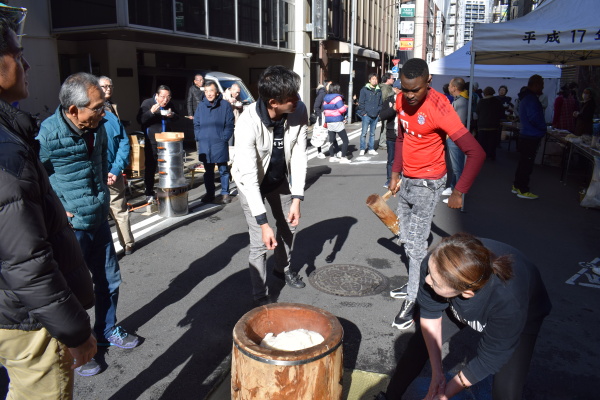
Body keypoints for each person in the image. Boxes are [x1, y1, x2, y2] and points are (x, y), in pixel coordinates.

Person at [0, 14, 97, 396]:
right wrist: (75, 330)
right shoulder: (9, 151)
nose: (25, 64)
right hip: (26, 318)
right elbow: (26, 260)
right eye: (16, 54)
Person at [37, 72, 140, 377]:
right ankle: (76, 346)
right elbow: (32, 179)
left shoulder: (101, 125)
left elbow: (102, 162)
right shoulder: (48, 134)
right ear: (73, 110)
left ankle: (107, 330)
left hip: (98, 217)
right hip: (71, 228)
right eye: (97, 107)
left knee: (109, 280)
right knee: (73, 290)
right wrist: (56, 210)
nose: (103, 112)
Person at [377, 233, 551, 400]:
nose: (427, 280)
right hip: (460, 290)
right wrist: (437, 373)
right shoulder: (435, 263)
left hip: (525, 312)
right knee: (418, 345)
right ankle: (389, 396)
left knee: (506, 392)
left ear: (466, 293)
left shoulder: (509, 302)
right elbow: (430, 313)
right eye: (430, 272)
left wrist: (443, 395)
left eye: (435, 282)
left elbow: (490, 358)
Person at [387, 58, 485, 330]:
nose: (409, 96)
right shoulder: (400, 101)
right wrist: (395, 175)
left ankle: (414, 298)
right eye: (404, 89)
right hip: (407, 179)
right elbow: (401, 138)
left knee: (417, 244)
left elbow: (476, 152)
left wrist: (459, 191)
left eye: (415, 90)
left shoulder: (441, 107)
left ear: (428, 83)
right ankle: (414, 279)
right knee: (405, 238)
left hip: (429, 184)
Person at [231, 65, 308, 306]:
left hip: (278, 178)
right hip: (250, 183)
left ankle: (282, 268)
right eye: (291, 97)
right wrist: (263, 224)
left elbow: (298, 153)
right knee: (259, 241)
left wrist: (297, 197)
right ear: (273, 102)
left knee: (288, 227)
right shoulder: (247, 123)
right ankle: (260, 298)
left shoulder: (298, 110)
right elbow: (250, 178)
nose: (297, 100)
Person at [99, 76, 135, 255]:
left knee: (118, 208)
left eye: (110, 86)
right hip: (100, 171)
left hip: (112, 168)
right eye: (103, 86)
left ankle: (127, 243)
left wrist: (116, 168)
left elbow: (123, 141)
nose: (107, 89)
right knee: (107, 211)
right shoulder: (98, 111)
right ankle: (119, 245)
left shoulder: (111, 109)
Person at [194, 81, 235, 204]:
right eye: (206, 91)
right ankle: (210, 194)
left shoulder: (225, 105)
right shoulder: (201, 106)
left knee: (223, 169)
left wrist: (224, 138)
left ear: (216, 92)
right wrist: (199, 137)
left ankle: (225, 193)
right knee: (208, 171)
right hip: (205, 143)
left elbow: (230, 124)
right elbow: (196, 123)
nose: (208, 94)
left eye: (211, 91)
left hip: (219, 142)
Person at [137, 85, 178, 203]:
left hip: (167, 140)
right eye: (163, 97)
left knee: (167, 166)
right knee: (151, 167)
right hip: (152, 140)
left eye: (168, 97)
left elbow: (178, 117)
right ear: (157, 95)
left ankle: (166, 188)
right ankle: (149, 192)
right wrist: (151, 112)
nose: (165, 100)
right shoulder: (147, 103)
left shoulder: (169, 105)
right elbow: (140, 120)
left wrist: (172, 115)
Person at [512, 74, 546, 200]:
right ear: (536, 85)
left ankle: (517, 186)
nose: (542, 87)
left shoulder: (525, 98)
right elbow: (534, 117)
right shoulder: (531, 99)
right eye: (542, 85)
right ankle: (522, 189)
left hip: (526, 134)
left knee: (523, 163)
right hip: (531, 135)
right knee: (526, 164)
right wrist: (543, 128)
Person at [442, 77, 469, 200]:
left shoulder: (461, 102)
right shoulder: (458, 100)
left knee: (458, 168)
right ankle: (452, 187)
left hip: (456, 138)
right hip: (452, 138)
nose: (448, 87)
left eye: (450, 85)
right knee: (454, 166)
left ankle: (458, 196)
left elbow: (460, 123)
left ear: (454, 87)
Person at [378, 79, 401, 187]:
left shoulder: (409, 100)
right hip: (391, 133)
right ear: (395, 89)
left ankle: (401, 179)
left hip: (404, 134)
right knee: (391, 159)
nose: (401, 91)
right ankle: (389, 179)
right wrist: (393, 109)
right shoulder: (389, 100)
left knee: (404, 158)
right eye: (399, 89)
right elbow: (382, 116)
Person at [322, 83, 350, 164]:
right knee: (345, 140)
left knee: (331, 140)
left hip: (329, 121)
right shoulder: (337, 98)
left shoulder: (325, 98)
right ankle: (343, 157)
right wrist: (345, 107)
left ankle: (332, 157)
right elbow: (342, 109)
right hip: (337, 120)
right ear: (337, 89)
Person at [475, 86, 505, 160]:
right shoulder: (497, 101)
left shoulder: (481, 102)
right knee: (492, 142)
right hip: (493, 125)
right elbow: (501, 113)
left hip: (482, 125)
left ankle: (482, 156)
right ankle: (491, 155)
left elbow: (477, 112)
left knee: (482, 142)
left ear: (484, 93)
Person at [357, 73, 382, 155]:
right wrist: (363, 113)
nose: (375, 80)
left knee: (372, 133)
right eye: (373, 79)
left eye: (376, 79)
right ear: (369, 80)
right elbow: (361, 102)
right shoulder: (364, 90)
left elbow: (380, 103)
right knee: (364, 133)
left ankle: (371, 148)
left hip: (375, 115)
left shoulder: (379, 90)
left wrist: (378, 112)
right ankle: (362, 148)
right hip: (366, 115)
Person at [313, 80, 331, 159]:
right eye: (330, 85)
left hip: (327, 116)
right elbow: (316, 106)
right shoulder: (322, 93)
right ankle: (319, 152)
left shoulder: (326, 93)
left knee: (329, 133)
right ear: (326, 85)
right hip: (322, 117)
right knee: (320, 134)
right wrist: (320, 115)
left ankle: (332, 150)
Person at [378, 72, 395, 150]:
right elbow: (384, 99)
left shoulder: (388, 87)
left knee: (386, 125)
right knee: (385, 126)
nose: (393, 79)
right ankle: (382, 143)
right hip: (385, 109)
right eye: (392, 78)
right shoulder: (385, 88)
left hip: (388, 109)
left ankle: (384, 141)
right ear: (387, 79)